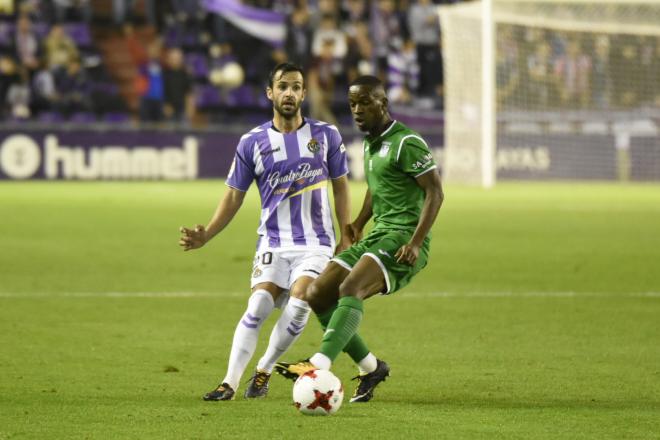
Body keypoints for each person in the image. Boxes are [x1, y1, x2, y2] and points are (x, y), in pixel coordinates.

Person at [179, 62, 353, 401]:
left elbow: (341, 187)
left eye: (296, 87)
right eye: (283, 86)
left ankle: (264, 370)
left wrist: (346, 234)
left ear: (304, 94)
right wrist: (207, 234)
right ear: (270, 93)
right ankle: (228, 382)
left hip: (316, 242)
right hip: (273, 241)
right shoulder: (252, 142)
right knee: (258, 303)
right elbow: (233, 195)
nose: (289, 92)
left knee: (301, 301)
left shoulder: (326, 135)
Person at [275, 75, 444, 403]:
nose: (357, 110)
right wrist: (357, 223)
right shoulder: (371, 143)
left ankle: (318, 364)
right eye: (353, 103)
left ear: (383, 103)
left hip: (403, 239)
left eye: (365, 102)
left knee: (349, 288)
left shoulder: (406, 142)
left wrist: (416, 241)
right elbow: (377, 187)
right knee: (317, 293)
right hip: (379, 233)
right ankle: (372, 367)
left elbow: (435, 192)